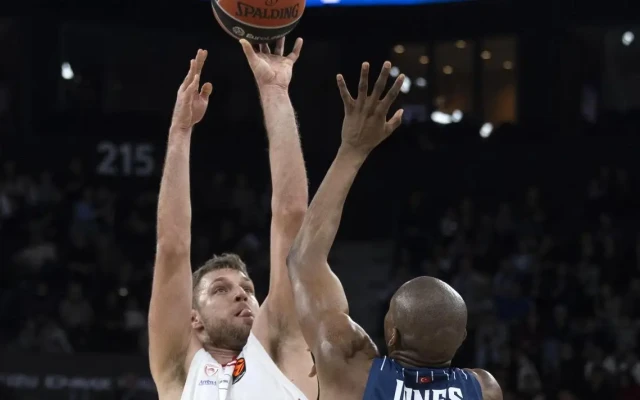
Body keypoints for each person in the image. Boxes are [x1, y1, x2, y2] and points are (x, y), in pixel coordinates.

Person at [286, 61, 503, 400]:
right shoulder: (485, 388)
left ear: (392, 335)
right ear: (461, 340)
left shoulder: (349, 372)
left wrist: (352, 150)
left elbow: (303, 259)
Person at [148, 38, 316, 400]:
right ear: (194, 318)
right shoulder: (179, 370)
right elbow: (172, 247)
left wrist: (275, 92)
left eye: (248, 289)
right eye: (220, 290)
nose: (241, 293)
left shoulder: (283, 349)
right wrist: (180, 130)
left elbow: (292, 215)